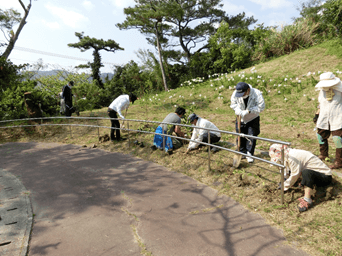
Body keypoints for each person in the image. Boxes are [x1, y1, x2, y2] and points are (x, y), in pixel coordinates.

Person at [269, 144, 332, 212]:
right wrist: (285, 180)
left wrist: (284, 186)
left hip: (325, 177)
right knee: (305, 172)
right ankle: (304, 184)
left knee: (306, 172)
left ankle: (307, 200)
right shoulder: (288, 154)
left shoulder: (293, 157)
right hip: (315, 175)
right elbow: (286, 168)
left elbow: (295, 174)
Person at [230, 82, 265, 163]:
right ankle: (242, 152)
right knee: (240, 134)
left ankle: (249, 154)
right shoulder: (236, 93)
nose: (241, 96)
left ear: (248, 90)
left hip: (252, 118)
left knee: (251, 135)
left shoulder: (256, 93)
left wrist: (249, 111)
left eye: (243, 93)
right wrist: (237, 110)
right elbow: (233, 104)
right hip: (240, 118)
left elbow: (261, 106)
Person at [314, 72, 342, 169]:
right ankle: (323, 154)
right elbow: (321, 103)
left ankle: (339, 161)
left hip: (338, 116)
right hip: (324, 116)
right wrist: (317, 113)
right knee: (320, 135)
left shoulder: (340, 89)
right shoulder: (322, 90)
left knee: (338, 139)